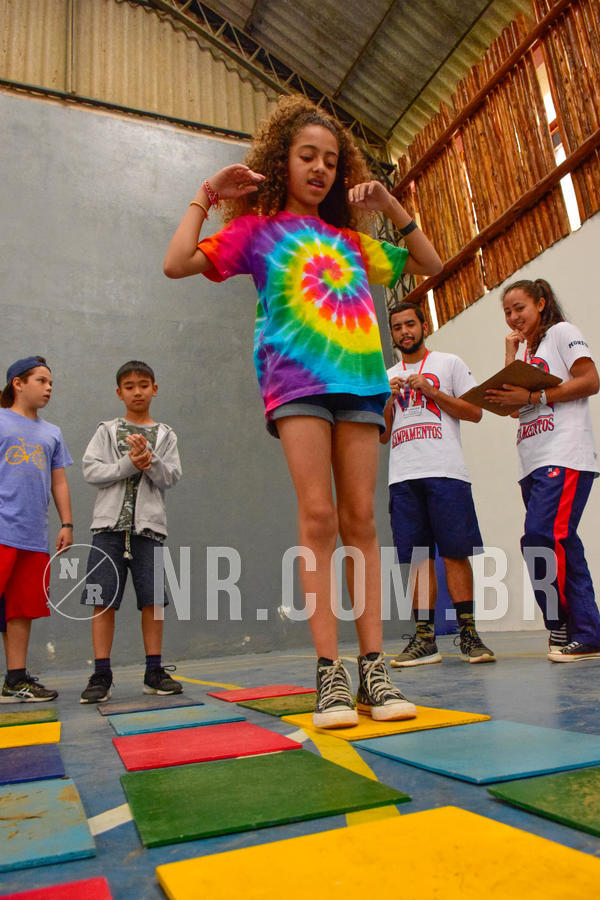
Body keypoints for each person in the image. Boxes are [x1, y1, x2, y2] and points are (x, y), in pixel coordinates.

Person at [164, 95, 443, 728]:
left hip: (361, 383)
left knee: (361, 519)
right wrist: (207, 193)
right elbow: (176, 262)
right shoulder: (255, 232)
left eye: (331, 161)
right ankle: (329, 674)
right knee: (318, 515)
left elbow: (430, 263)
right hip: (296, 385)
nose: (319, 169)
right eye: (307, 156)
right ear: (282, 162)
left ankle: (374, 668)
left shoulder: (352, 241)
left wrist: (391, 207)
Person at [486, 278, 600, 662]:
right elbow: (511, 407)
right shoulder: (525, 351)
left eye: (519, 307)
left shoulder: (561, 333)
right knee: (562, 543)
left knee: (539, 537)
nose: (513, 317)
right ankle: (587, 632)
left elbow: (591, 381)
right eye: (507, 312)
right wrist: (510, 355)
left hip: (564, 454)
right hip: (532, 461)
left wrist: (536, 395)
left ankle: (560, 621)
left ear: (540, 303)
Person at [380, 303, 495, 667]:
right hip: (403, 477)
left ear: (423, 325)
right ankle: (424, 638)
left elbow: (474, 412)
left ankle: (469, 634)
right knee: (417, 557)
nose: (404, 332)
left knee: (455, 553)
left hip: (446, 472)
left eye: (410, 324)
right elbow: (381, 435)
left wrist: (431, 392)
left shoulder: (449, 363)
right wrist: (388, 400)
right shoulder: (386, 376)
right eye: (397, 327)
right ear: (392, 334)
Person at [79, 360, 183, 703]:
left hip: (148, 532)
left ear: (155, 389)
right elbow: (91, 471)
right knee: (101, 601)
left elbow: (171, 477)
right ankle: (101, 674)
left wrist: (149, 460)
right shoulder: (107, 431)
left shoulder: (166, 435)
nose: (137, 392)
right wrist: (128, 463)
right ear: (119, 393)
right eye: (129, 386)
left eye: (143, 385)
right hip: (107, 530)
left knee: (154, 601)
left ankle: (154, 671)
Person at [0, 356, 73, 702]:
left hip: (33, 537)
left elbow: (59, 481)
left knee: (21, 609)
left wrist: (67, 523)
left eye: (51, 383)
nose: (48, 388)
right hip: (2, 531)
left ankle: (15, 679)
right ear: (18, 383)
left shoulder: (52, 433)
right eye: (41, 381)